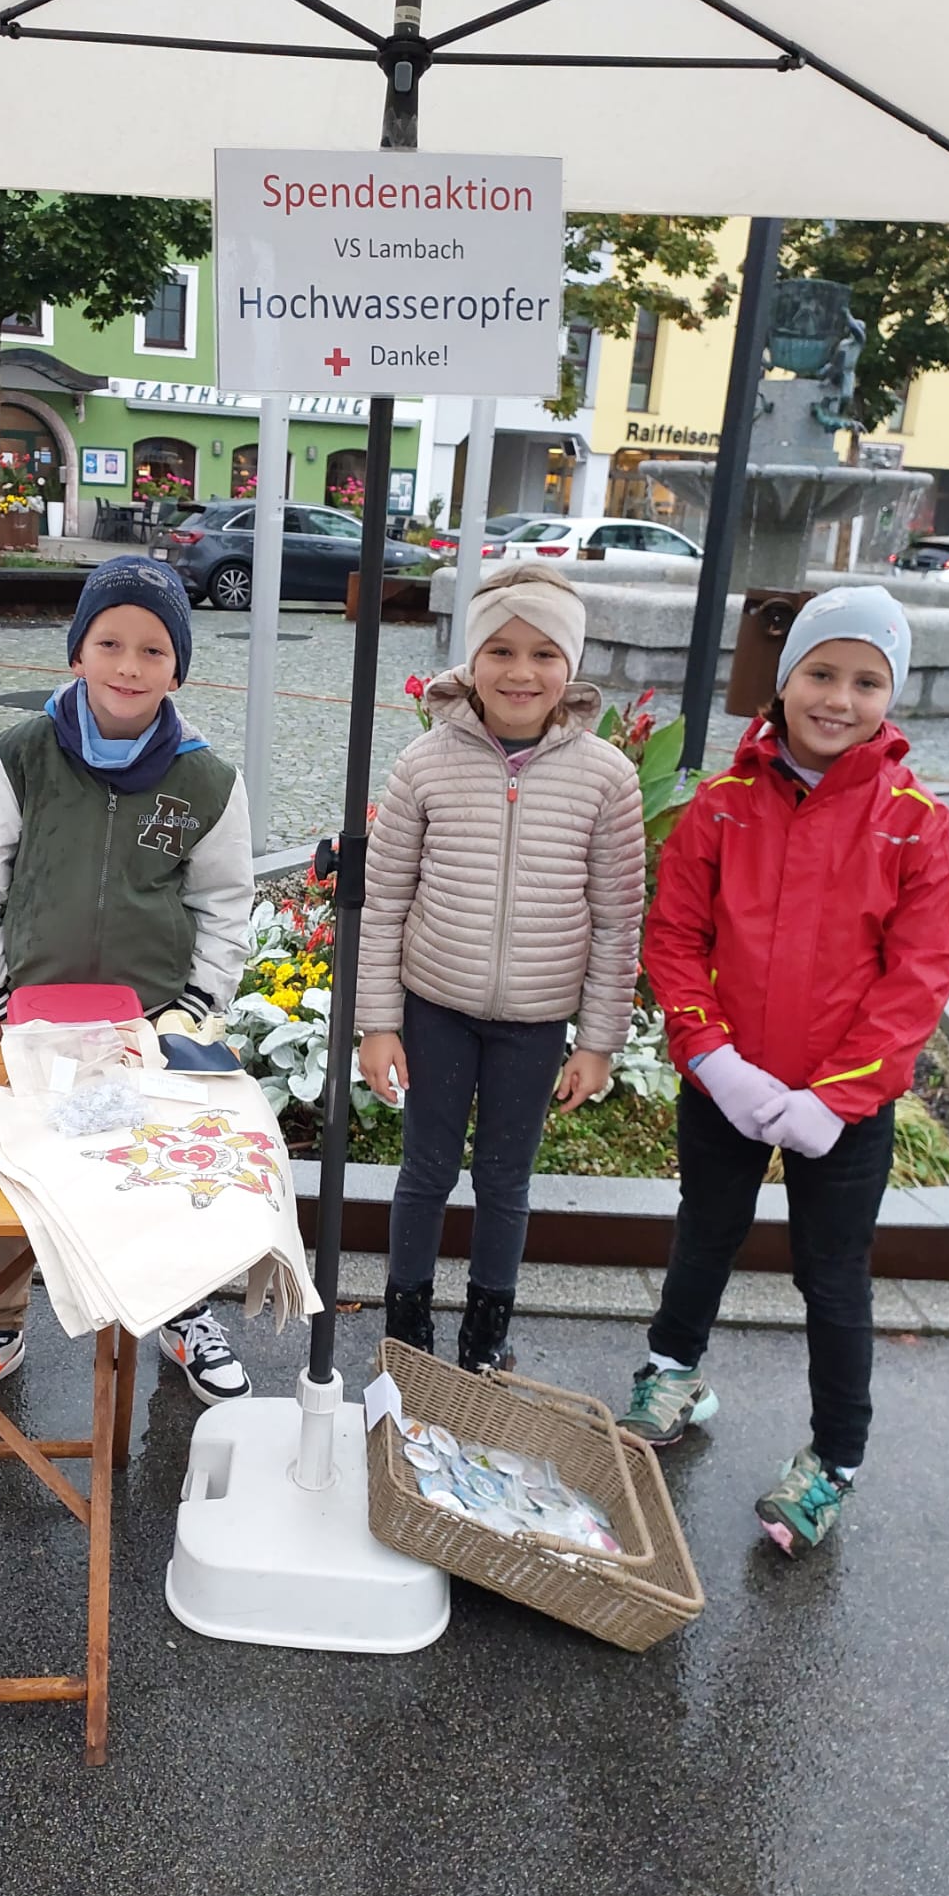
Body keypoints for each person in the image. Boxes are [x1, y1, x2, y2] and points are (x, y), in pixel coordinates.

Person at [618, 586, 949, 1555]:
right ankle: (672, 1371)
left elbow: (923, 968)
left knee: (833, 1278)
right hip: (727, 1082)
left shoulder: (915, 822)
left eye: (867, 680)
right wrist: (712, 1054)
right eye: (821, 672)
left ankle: (834, 1459)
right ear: (784, 681)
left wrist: (841, 1094)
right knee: (705, 1234)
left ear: (890, 695)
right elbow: (677, 935)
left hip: (841, 1112)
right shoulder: (722, 809)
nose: (839, 697)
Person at [0, 555, 256, 1423]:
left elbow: (224, 901)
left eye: (152, 650)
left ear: (178, 667)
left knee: (161, 1170)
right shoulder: (21, 757)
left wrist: (199, 1005)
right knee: (16, 1177)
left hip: (147, 1026)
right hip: (26, 1018)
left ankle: (182, 1308)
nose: (128, 666)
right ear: (76, 653)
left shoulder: (205, 780)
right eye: (109, 642)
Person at [356, 563, 645, 1374]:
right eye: (502, 650)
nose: (522, 672)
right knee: (425, 1170)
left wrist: (598, 1039)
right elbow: (384, 900)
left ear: (571, 666)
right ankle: (407, 1327)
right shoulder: (425, 763)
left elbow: (618, 917)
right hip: (437, 1006)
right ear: (471, 659)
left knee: (505, 1182)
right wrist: (378, 1023)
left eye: (545, 654)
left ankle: (487, 1335)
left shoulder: (606, 778)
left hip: (536, 1019)